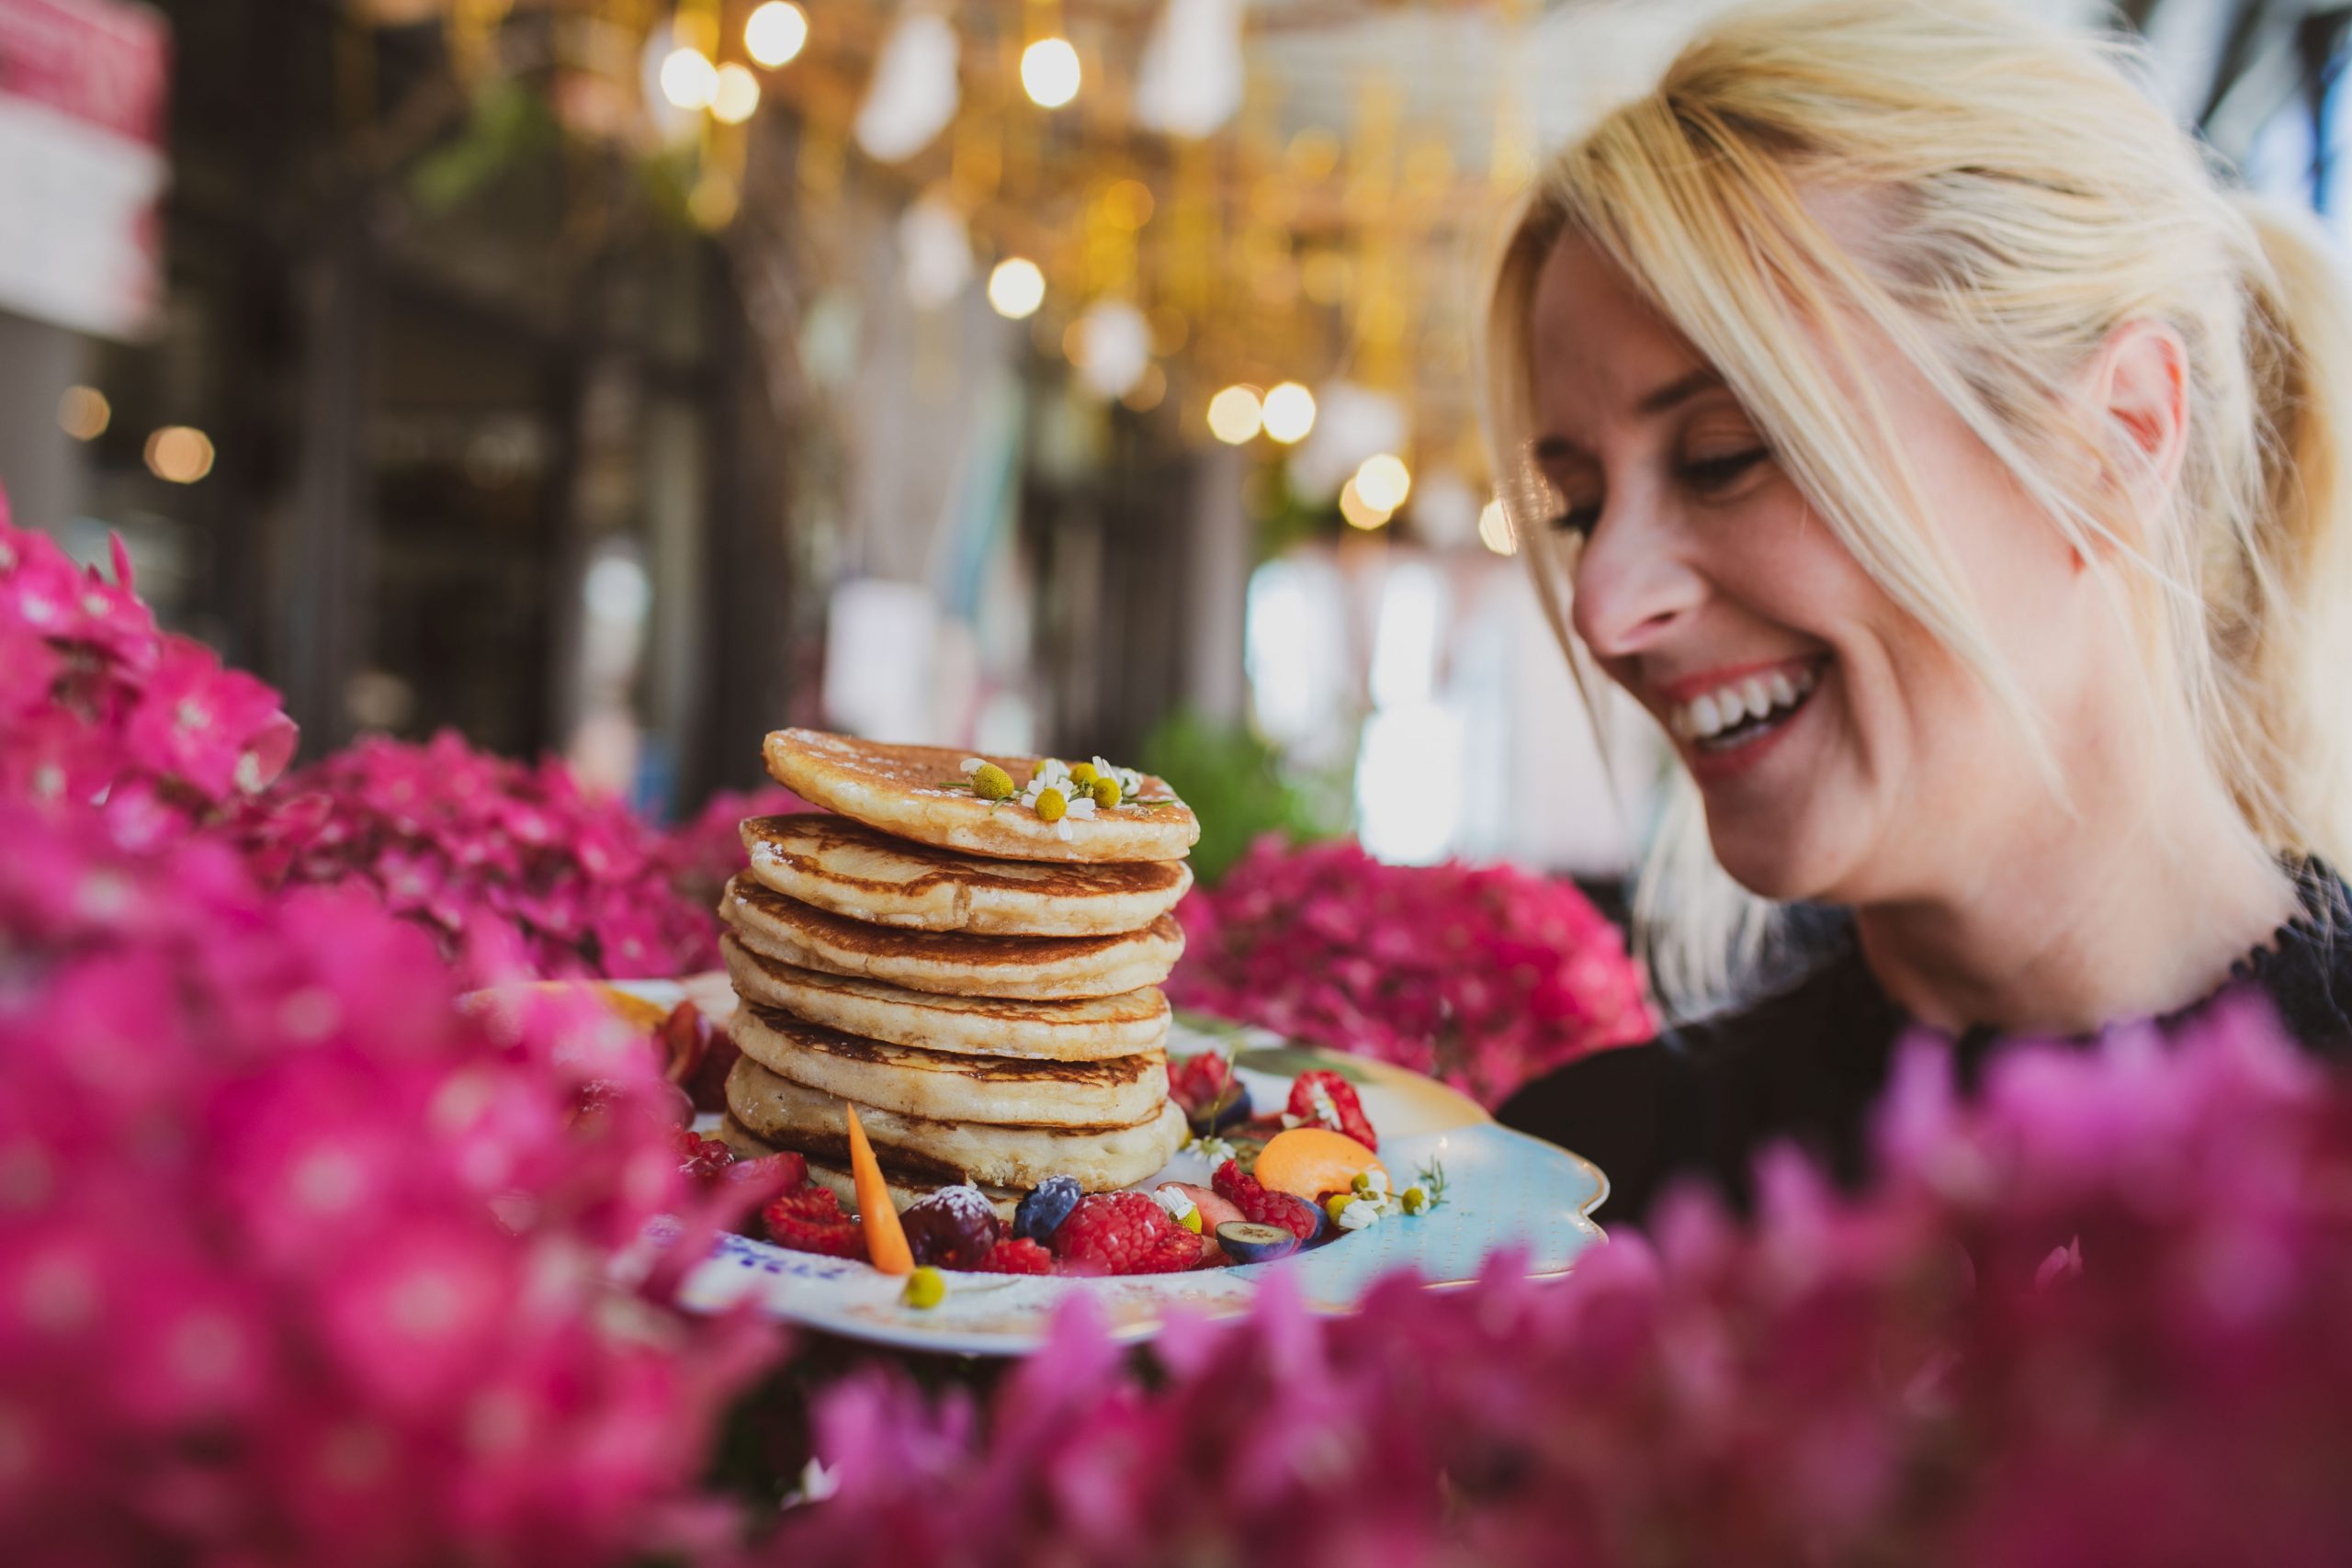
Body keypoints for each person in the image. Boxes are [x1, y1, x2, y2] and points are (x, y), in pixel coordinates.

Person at [1486, 0, 2352, 1226]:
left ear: (2115, 442)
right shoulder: (1586, 1194)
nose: (1604, 608)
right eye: (1576, 509)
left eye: (1726, 455)